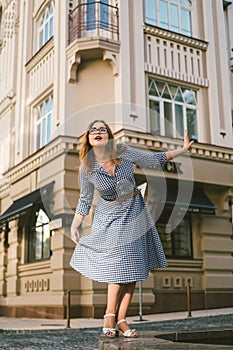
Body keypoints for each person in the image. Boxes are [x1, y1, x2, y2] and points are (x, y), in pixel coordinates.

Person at [70, 120, 193, 338]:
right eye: (93, 130)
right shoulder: (86, 168)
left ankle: (122, 319)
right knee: (118, 263)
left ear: (108, 136)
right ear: (88, 138)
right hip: (108, 216)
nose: (98, 132)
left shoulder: (123, 152)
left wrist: (182, 150)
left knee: (133, 267)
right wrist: (75, 225)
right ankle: (109, 315)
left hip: (134, 211)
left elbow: (152, 160)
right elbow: (85, 199)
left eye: (103, 129)